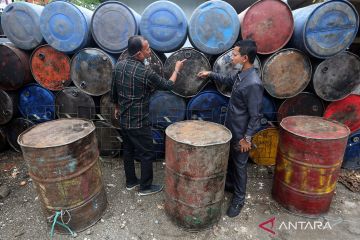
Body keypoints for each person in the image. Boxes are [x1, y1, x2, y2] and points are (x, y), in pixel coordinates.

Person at [111, 35, 186, 196]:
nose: (150, 50)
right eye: (147, 49)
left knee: (129, 150)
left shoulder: (119, 66)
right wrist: (176, 70)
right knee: (147, 152)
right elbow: (167, 85)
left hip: (124, 118)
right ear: (138, 54)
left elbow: (114, 91)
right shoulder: (145, 72)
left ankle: (131, 181)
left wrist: (117, 106)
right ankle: (145, 187)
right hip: (139, 120)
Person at [197, 40, 263, 217]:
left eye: (234, 54)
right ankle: (232, 185)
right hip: (231, 128)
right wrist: (210, 73)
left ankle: (239, 199)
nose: (231, 57)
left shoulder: (253, 83)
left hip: (241, 133)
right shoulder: (242, 74)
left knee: (240, 165)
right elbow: (227, 79)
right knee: (232, 162)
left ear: (245, 57)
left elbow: (256, 115)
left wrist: (247, 138)